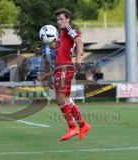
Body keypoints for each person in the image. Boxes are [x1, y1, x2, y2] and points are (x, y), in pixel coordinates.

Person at [39, 8, 91, 141]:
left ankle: (72, 127)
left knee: (59, 99)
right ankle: (83, 125)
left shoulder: (68, 29)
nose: (59, 21)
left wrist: (78, 58)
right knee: (66, 100)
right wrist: (48, 76)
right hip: (61, 69)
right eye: (57, 19)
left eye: (61, 19)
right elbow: (62, 53)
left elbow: (79, 42)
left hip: (64, 69)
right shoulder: (61, 35)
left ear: (67, 19)